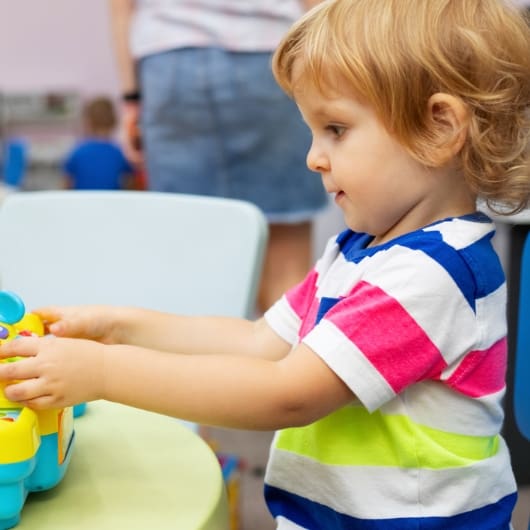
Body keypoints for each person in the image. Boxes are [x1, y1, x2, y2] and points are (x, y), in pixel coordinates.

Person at [1, 0, 530, 527]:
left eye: (336, 129)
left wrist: (102, 373)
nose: (313, 157)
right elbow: (259, 342)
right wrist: (117, 328)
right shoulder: (359, 250)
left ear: (439, 128)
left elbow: (287, 395)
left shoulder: (431, 275)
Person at [108, 0, 329, 312]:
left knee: (191, 261)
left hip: (169, 59)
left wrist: (131, 98)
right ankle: (289, 357)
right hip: (270, 53)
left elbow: (120, 8)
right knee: (285, 260)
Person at [63, 96, 135, 190]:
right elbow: (129, 184)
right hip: (111, 201)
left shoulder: (77, 152)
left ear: (88, 122)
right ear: (114, 121)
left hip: (82, 202)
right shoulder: (119, 152)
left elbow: (66, 184)